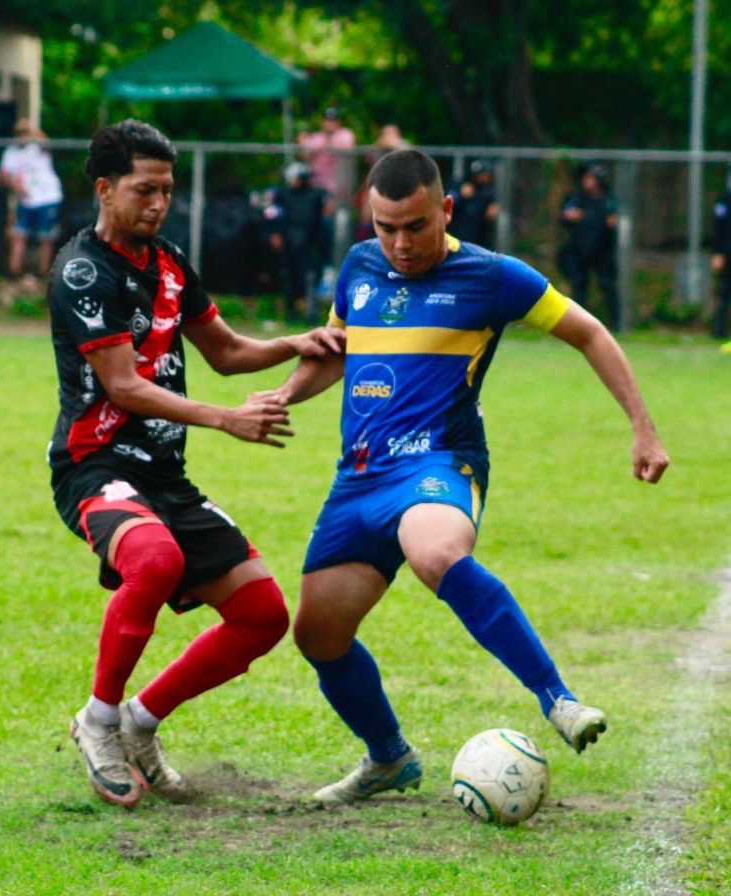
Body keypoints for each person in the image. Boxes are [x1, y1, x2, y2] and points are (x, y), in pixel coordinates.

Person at [264, 149, 669, 804]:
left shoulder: (492, 277)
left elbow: (590, 333)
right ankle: (389, 758)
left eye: (415, 226)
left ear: (446, 210)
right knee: (318, 636)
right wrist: (283, 394)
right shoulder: (358, 267)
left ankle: (558, 699)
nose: (400, 244)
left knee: (436, 553)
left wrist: (643, 428)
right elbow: (337, 352)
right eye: (385, 227)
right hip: (360, 477)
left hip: (438, 460)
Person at [47, 119, 343, 809]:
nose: (158, 204)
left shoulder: (171, 263)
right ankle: (98, 721)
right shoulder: (82, 270)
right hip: (95, 466)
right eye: (144, 190)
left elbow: (227, 351)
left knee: (263, 615)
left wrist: (297, 342)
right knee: (155, 561)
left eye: (167, 190)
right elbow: (123, 386)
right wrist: (225, 418)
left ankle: (140, 723)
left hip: (162, 476)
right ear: (104, 189)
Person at [556, 163, 620, 331]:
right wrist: (569, 216)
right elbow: (566, 215)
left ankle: (617, 324)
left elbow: (614, 221)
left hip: (602, 250)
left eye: (591, 178)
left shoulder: (609, 199)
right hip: (580, 249)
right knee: (579, 285)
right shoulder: (578, 198)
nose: (587, 182)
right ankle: (578, 325)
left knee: (607, 285)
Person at [298, 107, 357, 285]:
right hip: (317, 192)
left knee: (339, 234)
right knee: (317, 230)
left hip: (340, 194)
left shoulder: (345, 135)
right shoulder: (317, 137)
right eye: (327, 120)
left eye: (333, 120)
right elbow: (304, 154)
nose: (329, 123)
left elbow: (345, 147)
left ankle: (336, 270)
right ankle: (321, 271)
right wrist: (305, 143)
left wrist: (314, 144)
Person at [0, 119, 64, 277]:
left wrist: (32, 130)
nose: (22, 136)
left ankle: (43, 273)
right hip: (26, 200)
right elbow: (5, 175)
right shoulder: (10, 153)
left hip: (47, 198)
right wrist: (18, 188)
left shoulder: (38, 148)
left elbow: (47, 144)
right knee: (19, 234)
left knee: (45, 237)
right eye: (19, 133)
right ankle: (14, 272)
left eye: (24, 132)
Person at [266, 162, 327, 322]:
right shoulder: (282, 195)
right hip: (288, 242)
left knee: (310, 278)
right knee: (288, 277)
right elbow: (274, 214)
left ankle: (311, 313)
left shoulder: (315, 195)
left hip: (309, 243)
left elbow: (321, 218)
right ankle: (290, 312)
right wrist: (275, 233)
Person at [447, 158, 499, 250]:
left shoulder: (488, 190)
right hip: (459, 232)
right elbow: (449, 203)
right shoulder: (459, 186)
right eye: (482, 175)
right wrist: (461, 196)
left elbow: (491, 209)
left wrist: (492, 208)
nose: (485, 178)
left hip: (480, 235)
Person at [710, 184, 731, 344]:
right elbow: (718, 227)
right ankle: (719, 332)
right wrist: (717, 253)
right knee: (724, 292)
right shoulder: (724, 201)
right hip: (727, 253)